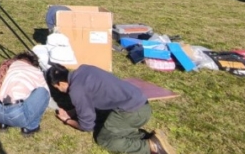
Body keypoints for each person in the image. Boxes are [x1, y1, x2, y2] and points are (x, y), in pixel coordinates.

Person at [47, 63, 176, 154]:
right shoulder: (84, 69)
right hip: (142, 104)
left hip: (131, 112)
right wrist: (72, 112)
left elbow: (87, 126)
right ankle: (150, 137)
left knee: (104, 139)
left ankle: (149, 146)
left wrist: (66, 120)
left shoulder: (76, 91)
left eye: (57, 88)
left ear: (62, 83)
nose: (60, 91)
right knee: (110, 126)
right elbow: (89, 99)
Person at [0, 51, 50, 136]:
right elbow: (46, 94)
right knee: (43, 92)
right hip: (16, 115)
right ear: (33, 63)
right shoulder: (36, 71)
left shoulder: (8, 65)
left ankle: (3, 123)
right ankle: (31, 127)